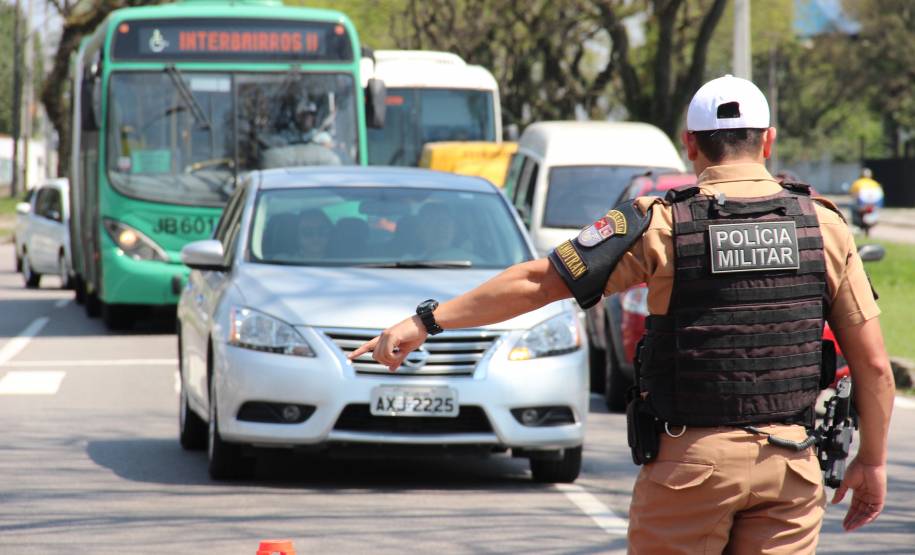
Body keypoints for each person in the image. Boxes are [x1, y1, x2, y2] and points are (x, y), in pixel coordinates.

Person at [349, 75, 895, 553]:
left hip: (692, 470)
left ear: (690, 146)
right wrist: (871, 462)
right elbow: (873, 368)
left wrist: (426, 321)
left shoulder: (661, 222)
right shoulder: (823, 226)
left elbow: (539, 282)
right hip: (791, 467)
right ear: (768, 142)